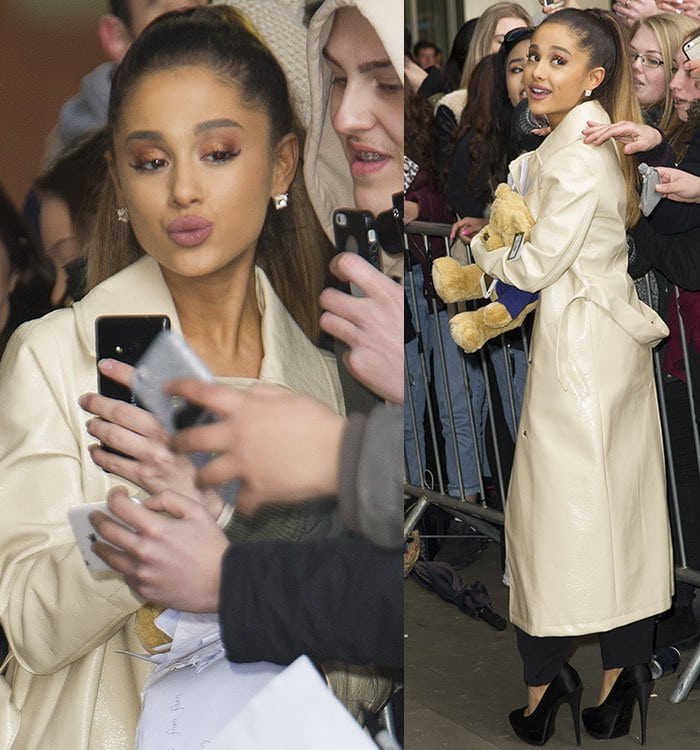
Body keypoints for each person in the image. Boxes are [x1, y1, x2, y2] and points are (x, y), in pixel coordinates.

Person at [0, 7, 347, 748]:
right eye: (151, 162)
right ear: (119, 184)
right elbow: (26, 622)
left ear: (282, 164)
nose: (184, 190)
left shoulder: (322, 382)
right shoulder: (53, 356)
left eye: (218, 152)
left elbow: (361, 673)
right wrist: (151, 521)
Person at [468, 9, 672, 745]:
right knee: (614, 522)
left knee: (558, 524)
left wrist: (485, 253)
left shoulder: (579, 152)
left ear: (594, 76)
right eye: (530, 60)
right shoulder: (571, 143)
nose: (536, 74)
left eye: (557, 60)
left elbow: (532, 264)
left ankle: (551, 683)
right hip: (593, 349)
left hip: (584, 357)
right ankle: (615, 681)